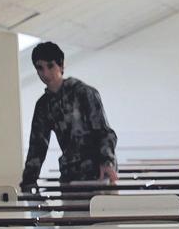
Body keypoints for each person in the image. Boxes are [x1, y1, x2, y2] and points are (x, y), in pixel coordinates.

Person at [20, 42, 119, 191]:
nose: (45, 73)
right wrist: (28, 181)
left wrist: (107, 162)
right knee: (73, 214)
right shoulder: (43, 105)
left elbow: (104, 132)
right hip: (70, 175)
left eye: (50, 66)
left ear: (61, 65)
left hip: (99, 173)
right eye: (40, 68)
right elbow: (37, 146)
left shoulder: (84, 93)